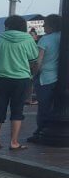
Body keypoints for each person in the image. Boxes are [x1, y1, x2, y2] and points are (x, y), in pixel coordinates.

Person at [0, 15, 39, 151]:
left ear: (7, 26)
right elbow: (34, 59)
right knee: (17, 110)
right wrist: (31, 73)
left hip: (0, 78)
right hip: (21, 78)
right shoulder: (28, 39)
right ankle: (14, 142)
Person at [28, 14, 60, 143]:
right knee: (56, 107)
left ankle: (40, 131)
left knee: (44, 108)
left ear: (52, 25)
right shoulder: (63, 38)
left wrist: (33, 73)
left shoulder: (45, 40)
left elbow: (38, 61)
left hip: (45, 78)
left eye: (45, 24)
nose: (43, 26)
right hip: (59, 78)